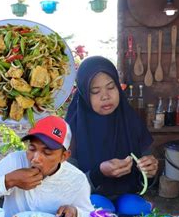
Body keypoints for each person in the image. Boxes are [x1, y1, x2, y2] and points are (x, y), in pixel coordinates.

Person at [0, 116, 94, 217]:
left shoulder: (76, 179)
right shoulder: (15, 161)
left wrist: (76, 213)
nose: (35, 159)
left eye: (47, 152)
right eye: (32, 148)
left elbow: (89, 215)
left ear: (64, 156)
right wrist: (8, 181)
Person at [65, 56, 159, 203]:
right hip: (84, 202)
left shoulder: (130, 120)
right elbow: (67, 186)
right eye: (95, 91)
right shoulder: (71, 130)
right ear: (83, 94)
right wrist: (99, 173)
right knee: (98, 206)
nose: (106, 96)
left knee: (133, 206)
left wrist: (150, 171)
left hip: (129, 198)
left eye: (111, 87)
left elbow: (147, 178)